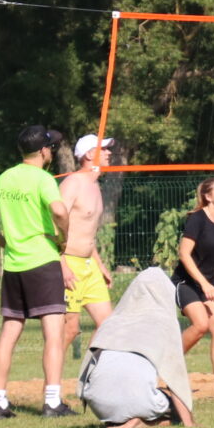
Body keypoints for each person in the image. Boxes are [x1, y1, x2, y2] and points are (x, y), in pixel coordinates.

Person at [0, 125, 72, 417]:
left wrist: (4, 241)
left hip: (14, 265)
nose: (52, 152)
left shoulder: (5, 178)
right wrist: (64, 237)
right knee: (53, 333)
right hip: (43, 262)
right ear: (43, 151)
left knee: (9, 332)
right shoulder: (43, 178)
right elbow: (60, 211)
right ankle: (52, 402)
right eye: (51, 147)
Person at [79, 267, 197, 428]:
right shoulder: (164, 324)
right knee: (173, 409)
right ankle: (142, 422)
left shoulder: (111, 322)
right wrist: (189, 423)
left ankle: (117, 421)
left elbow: (89, 364)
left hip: (99, 403)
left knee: (120, 400)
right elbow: (175, 379)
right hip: (139, 400)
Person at [174, 177, 214, 392]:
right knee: (201, 325)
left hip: (210, 282)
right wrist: (203, 284)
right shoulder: (197, 219)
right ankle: (169, 360)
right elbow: (184, 254)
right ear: (208, 196)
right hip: (187, 282)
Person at [60, 134, 117, 359]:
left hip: (89, 264)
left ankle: (88, 373)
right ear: (89, 154)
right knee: (70, 330)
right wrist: (62, 265)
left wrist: (100, 265)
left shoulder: (95, 186)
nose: (108, 153)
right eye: (104, 149)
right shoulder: (73, 183)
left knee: (108, 324)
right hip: (69, 263)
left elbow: (86, 232)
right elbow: (53, 226)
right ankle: (51, 379)